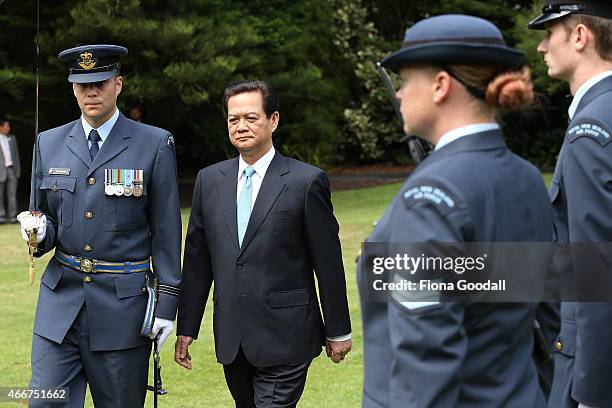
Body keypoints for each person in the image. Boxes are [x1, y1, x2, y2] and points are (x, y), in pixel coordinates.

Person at [358, 14, 554, 407]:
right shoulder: (527, 177)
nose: (398, 95)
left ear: (440, 86)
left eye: (405, 80)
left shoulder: (432, 195)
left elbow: (426, 356)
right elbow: (546, 311)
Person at [17, 44, 182, 407]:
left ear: (118, 84)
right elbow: (42, 221)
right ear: (73, 88)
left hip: (122, 308)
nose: (91, 92)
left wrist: (167, 305)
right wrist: (39, 236)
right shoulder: (49, 142)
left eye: (100, 83)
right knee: (45, 402)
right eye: (81, 85)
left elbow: (167, 232)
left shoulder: (153, 143)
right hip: (60, 305)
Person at [175, 80, 352, 408]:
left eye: (251, 118)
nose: (240, 126)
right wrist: (187, 326)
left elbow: (328, 263)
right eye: (232, 119)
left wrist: (338, 329)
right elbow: (198, 261)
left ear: (273, 120)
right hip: (233, 340)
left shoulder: (306, 181)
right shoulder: (209, 181)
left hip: (288, 336)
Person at [529, 2, 612, 408]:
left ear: (580, 36)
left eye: (549, 33)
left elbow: (597, 266)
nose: (542, 47)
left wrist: (593, 393)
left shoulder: (590, 128)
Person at [0, 119, 20, 224]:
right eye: (7, 126)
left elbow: (16, 155)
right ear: (1, 127)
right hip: (1, 170)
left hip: (11, 169)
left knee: (12, 194)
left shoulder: (12, 138)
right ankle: (1, 216)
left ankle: (12, 216)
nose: (9, 128)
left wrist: (18, 169)